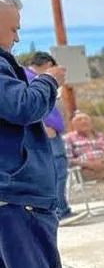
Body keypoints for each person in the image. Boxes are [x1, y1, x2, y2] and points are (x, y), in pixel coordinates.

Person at [0, 0, 104, 268]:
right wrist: (48, 80)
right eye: (13, 28)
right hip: (18, 194)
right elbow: (22, 106)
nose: (17, 36)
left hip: (6, 195)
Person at [24, 52, 72, 219]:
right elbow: (32, 104)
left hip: (50, 130)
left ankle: (60, 208)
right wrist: (44, 125)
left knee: (57, 169)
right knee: (57, 170)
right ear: (47, 64)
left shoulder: (31, 78)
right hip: (46, 131)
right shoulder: (30, 78)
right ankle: (59, 209)